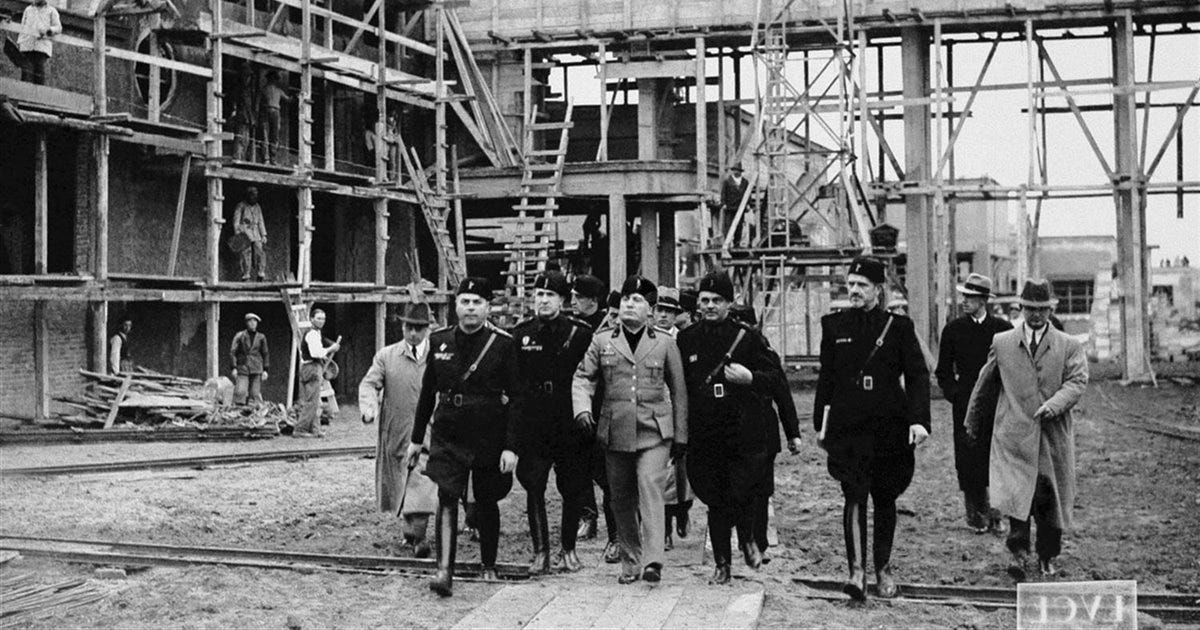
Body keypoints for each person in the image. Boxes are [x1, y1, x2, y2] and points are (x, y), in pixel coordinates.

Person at [813, 256, 930, 600]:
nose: (854, 291)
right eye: (850, 284)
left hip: (889, 428)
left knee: (885, 498)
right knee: (853, 495)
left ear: (878, 290)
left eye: (862, 285)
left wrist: (919, 420)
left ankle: (882, 569)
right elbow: (827, 379)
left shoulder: (899, 328)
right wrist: (821, 423)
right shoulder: (833, 327)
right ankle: (856, 572)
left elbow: (919, 375)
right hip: (849, 428)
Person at [965, 279, 1088, 581]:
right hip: (1014, 434)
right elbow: (985, 383)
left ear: (1050, 309)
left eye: (1042, 309)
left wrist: (1055, 404)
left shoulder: (1068, 345)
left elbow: (1077, 381)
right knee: (1018, 497)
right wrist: (972, 419)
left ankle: (1047, 556)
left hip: (1052, 436)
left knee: (1049, 498)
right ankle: (1019, 553)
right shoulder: (1003, 342)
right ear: (1020, 308)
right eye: (1030, 309)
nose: (1036, 315)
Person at [407, 277, 522, 597]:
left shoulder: (503, 344)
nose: (470, 308)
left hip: (488, 432)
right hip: (448, 430)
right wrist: (417, 440)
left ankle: (488, 564)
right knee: (446, 494)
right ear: (456, 306)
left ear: (488, 307)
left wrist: (511, 446)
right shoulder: (440, 340)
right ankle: (444, 571)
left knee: (485, 499)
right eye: (465, 302)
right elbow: (427, 392)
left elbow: (516, 398)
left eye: (477, 303)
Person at [678, 272, 792, 584]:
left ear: (729, 303)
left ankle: (747, 542)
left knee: (741, 491)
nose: (710, 306)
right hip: (705, 432)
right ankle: (722, 564)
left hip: (741, 430)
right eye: (704, 301)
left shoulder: (748, 337)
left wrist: (750, 378)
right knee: (715, 499)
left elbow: (777, 379)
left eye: (717, 301)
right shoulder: (686, 339)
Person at [572, 276, 688, 585]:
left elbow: (679, 392)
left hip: (655, 430)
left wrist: (681, 436)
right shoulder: (602, 341)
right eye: (625, 300)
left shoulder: (665, 342)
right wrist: (582, 407)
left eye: (636, 300)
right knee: (620, 498)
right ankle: (631, 559)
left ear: (649, 310)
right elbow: (583, 377)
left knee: (650, 486)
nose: (628, 305)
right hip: (616, 430)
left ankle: (653, 560)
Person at [512, 272, 594, 574]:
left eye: (550, 295)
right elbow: (516, 383)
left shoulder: (580, 333)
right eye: (539, 295)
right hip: (535, 420)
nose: (543, 301)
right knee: (534, 485)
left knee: (572, 487)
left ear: (563, 300)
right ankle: (541, 552)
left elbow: (590, 377)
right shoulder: (521, 334)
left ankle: (568, 548)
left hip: (568, 419)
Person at [935, 273, 1013, 534]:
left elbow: (1013, 368)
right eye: (964, 296)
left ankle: (998, 514)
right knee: (969, 458)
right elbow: (942, 372)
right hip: (966, 403)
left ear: (983, 300)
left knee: (997, 458)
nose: (965, 301)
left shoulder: (1003, 330)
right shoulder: (953, 330)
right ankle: (976, 514)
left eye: (970, 297)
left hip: (997, 403)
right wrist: (956, 395)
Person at [360, 303, 437, 557]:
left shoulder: (438, 355)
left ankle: (420, 537)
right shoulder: (387, 356)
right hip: (397, 431)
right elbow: (370, 383)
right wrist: (369, 407)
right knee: (400, 482)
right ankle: (410, 532)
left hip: (430, 431)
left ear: (427, 329)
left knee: (423, 479)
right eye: (409, 327)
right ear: (402, 327)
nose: (413, 334)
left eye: (419, 328)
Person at [729, 304, 802, 566]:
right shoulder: (722, 351)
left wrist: (793, 432)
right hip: (733, 430)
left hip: (763, 430)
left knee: (761, 490)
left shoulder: (764, 351)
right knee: (739, 488)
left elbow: (782, 392)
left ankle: (757, 542)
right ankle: (745, 539)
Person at [650, 287, 694, 550]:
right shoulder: (646, 338)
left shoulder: (684, 340)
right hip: (655, 413)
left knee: (683, 471)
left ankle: (683, 509)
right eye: (660, 310)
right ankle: (663, 530)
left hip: (680, 410)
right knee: (660, 473)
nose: (664, 316)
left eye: (669, 311)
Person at [570, 273, 608, 542]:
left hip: (605, 402)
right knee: (578, 465)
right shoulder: (572, 326)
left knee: (606, 469)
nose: (573, 301)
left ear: (593, 301)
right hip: (579, 403)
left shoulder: (607, 326)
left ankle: (618, 523)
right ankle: (587, 516)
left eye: (578, 297)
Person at [295, 308, 340, 438]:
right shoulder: (312, 334)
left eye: (323, 319)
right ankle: (300, 429)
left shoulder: (316, 333)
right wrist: (331, 348)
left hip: (311, 366)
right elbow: (316, 353)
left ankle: (315, 429)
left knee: (315, 401)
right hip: (312, 368)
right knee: (312, 402)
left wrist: (323, 356)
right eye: (319, 318)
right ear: (311, 319)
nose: (321, 321)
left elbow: (316, 352)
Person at [16, 0, 60, 85]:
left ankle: (39, 96)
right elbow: (22, 27)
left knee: (39, 73)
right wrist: (20, 43)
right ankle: (24, 96)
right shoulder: (28, 10)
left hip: (41, 47)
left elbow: (58, 27)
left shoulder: (52, 11)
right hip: (27, 46)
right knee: (26, 74)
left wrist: (49, 30)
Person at [230, 313, 270, 405]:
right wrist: (234, 367)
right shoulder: (240, 336)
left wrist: (265, 369)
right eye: (250, 321)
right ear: (246, 323)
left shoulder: (261, 337)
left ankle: (254, 414)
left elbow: (265, 353)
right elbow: (233, 352)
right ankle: (239, 411)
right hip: (243, 367)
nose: (252, 323)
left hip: (256, 368)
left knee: (255, 394)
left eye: (255, 321)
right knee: (240, 391)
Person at [232, 187, 268, 281]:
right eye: (252, 195)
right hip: (244, 230)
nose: (254, 198)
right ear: (248, 195)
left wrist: (263, 234)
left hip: (255, 231)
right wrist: (237, 233)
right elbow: (236, 220)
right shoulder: (241, 205)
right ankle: (246, 274)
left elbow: (260, 221)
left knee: (260, 250)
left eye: (256, 196)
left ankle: (260, 273)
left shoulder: (257, 207)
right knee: (245, 252)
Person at [262, 71, 293, 164]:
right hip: (268, 111)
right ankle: (267, 158)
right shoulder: (265, 89)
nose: (273, 81)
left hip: (274, 112)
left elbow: (288, 100)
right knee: (267, 135)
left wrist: (295, 97)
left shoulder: (277, 90)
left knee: (273, 135)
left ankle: (271, 158)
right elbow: (288, 100)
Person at [719, 165, 750, 245]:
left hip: (740, 207)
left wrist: (748, 204)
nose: (736, 172)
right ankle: (727, 243)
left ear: (741, 172)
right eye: (735, 170)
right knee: (728, 226)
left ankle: (737, 243)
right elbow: (723, 193)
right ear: (732, 171)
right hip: (730, 207)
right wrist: (723, 203)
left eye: (738, 170)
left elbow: (748, 194)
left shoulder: (745, 182)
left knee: (739, 226)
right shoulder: (727, 181)